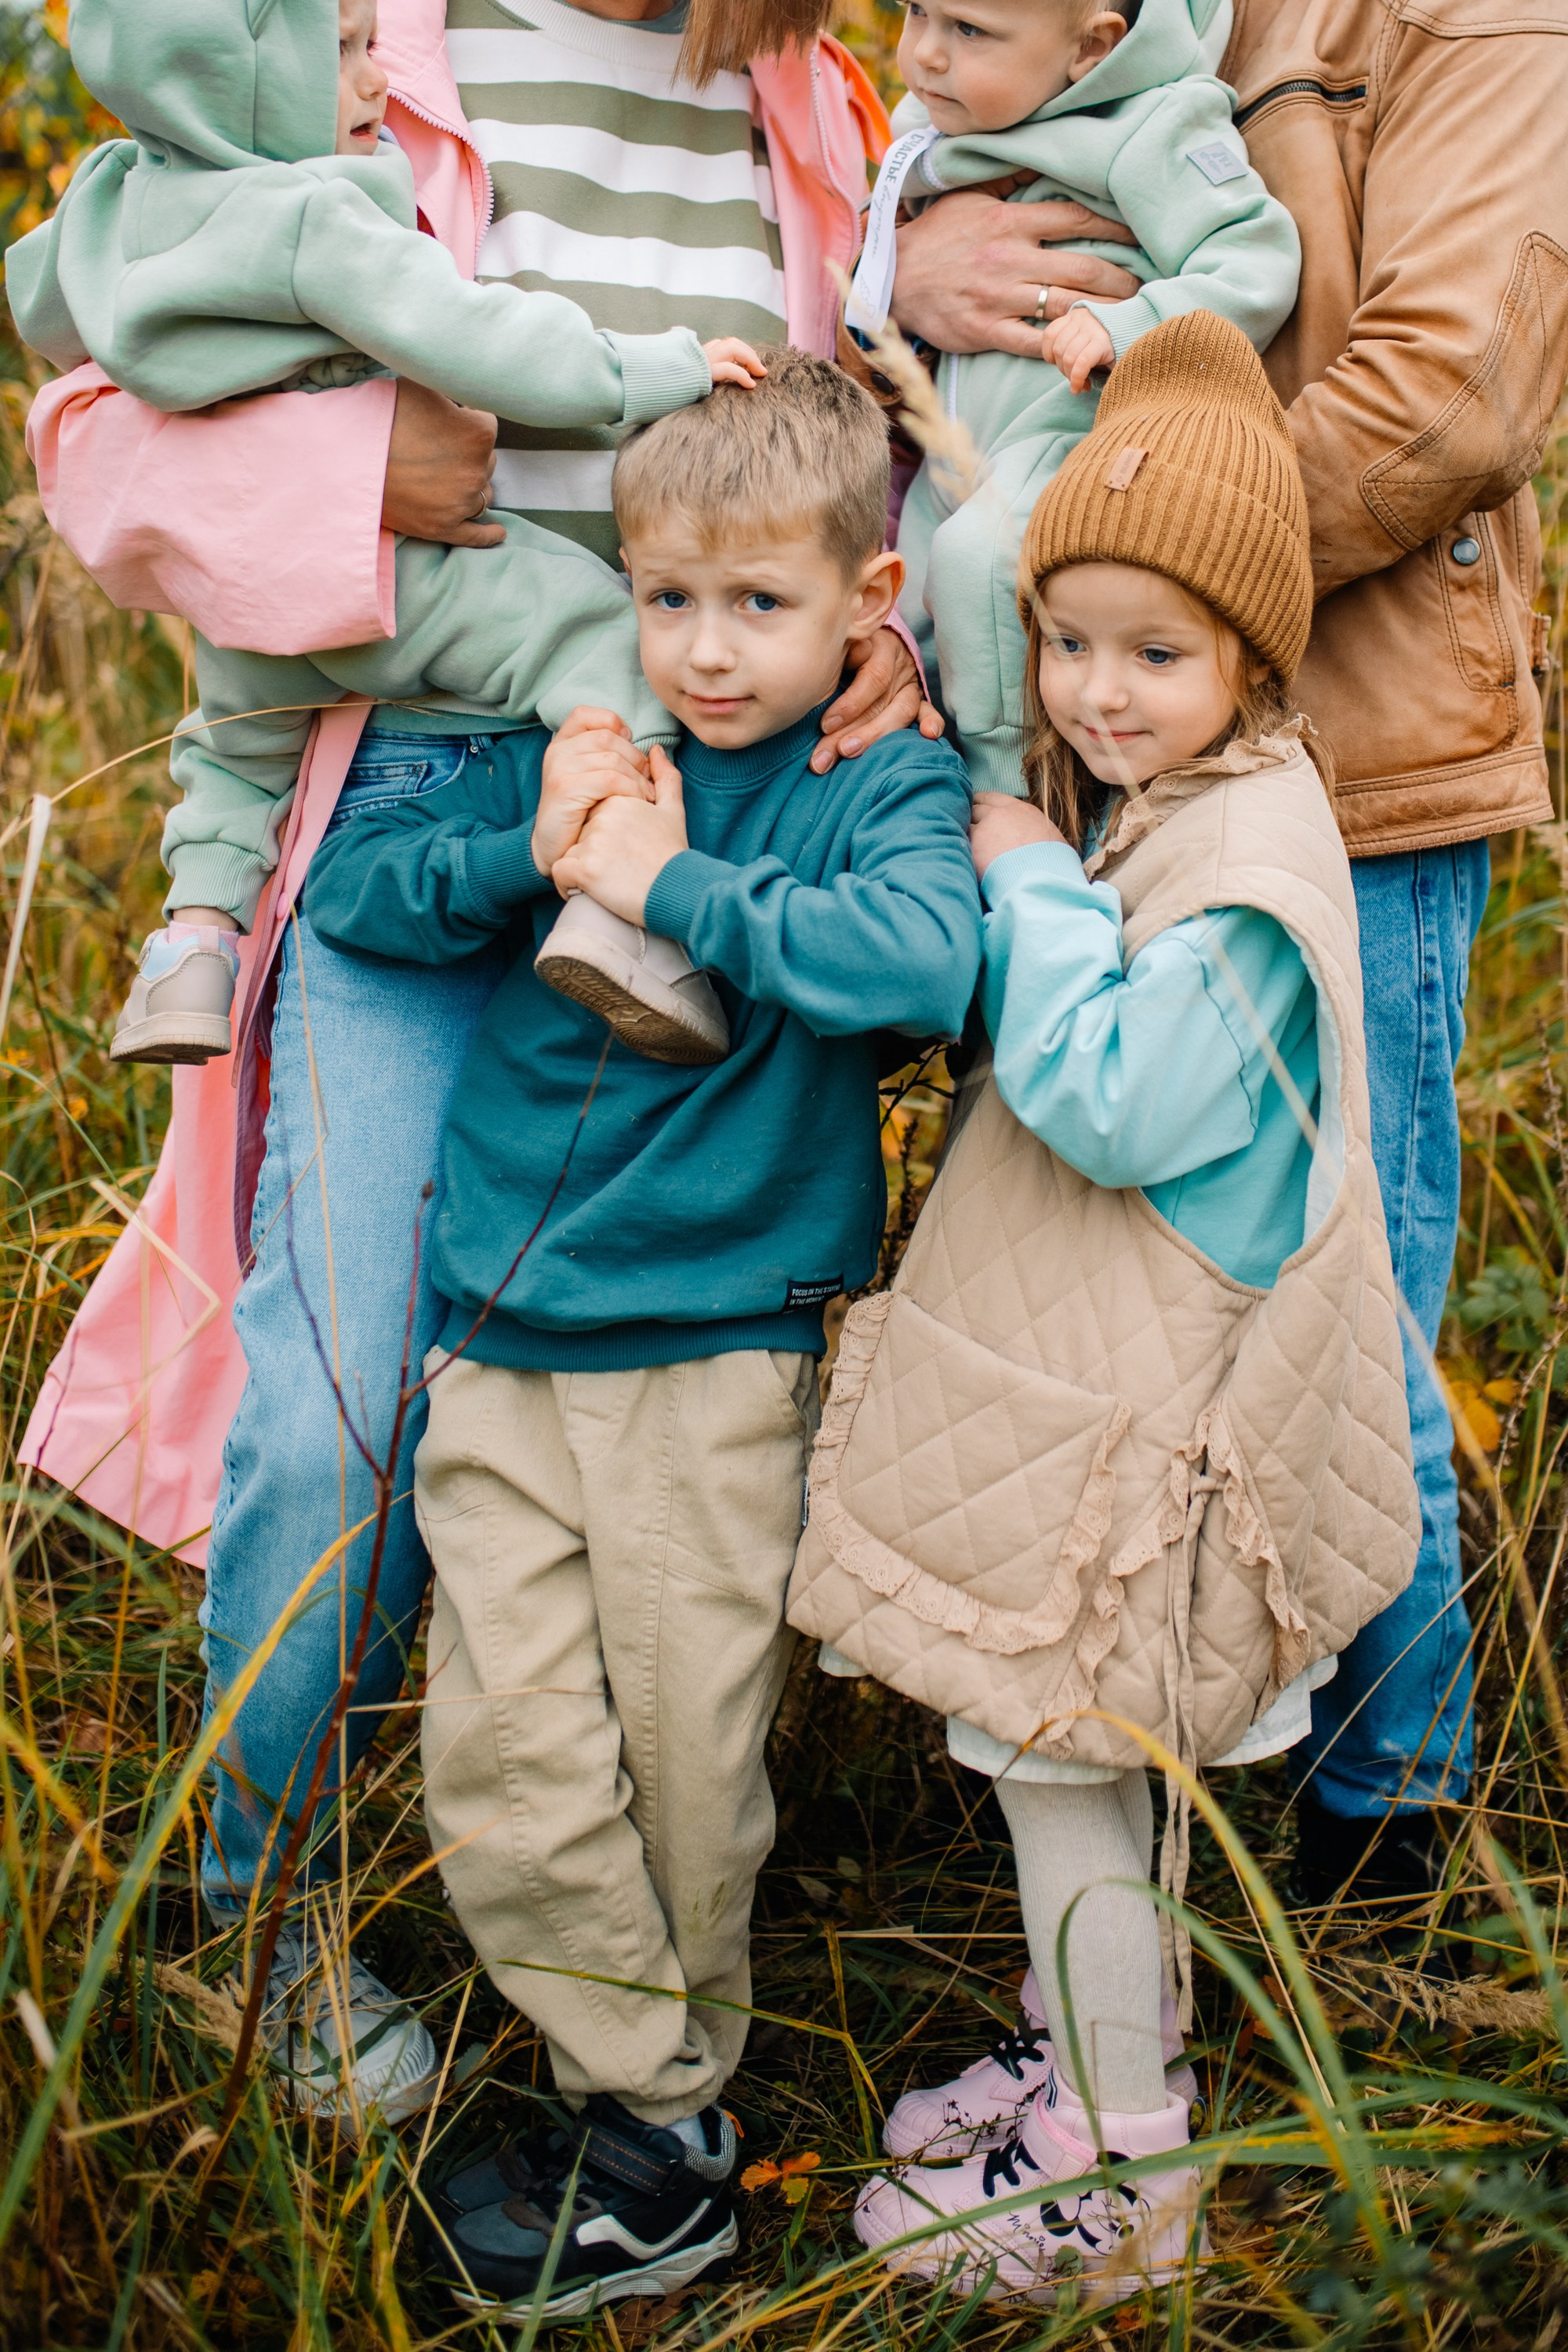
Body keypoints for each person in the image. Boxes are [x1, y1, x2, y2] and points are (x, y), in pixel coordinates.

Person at [22, 0, 1004, 2129]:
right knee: (349, 1407)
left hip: (704, 808)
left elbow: (860, 455)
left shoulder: (808, 98)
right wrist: (350, 471)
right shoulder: (373, 41)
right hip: (423, 797)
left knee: (651, 1389)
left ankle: (621, 1959)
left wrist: (890, 636)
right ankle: (264, 1921)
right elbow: (90, 429)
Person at [303, 349, 982, 2321]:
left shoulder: (879, 779)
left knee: (686, 1760)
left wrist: (672, 881)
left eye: (758, 604)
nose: (702, 649)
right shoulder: (581, 737)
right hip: (503, 1332)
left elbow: (924, 958)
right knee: (505, 1753)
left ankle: (652, 2145)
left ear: (865, 599)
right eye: (664, 595)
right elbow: (357, 889)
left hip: (710, 1352)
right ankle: (655, 2097)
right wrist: (538, 843)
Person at [789, 314, 1421, 2305]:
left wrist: (1024, 877)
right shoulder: (1190, 806)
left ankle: (1121, 2182)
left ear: (1248, 656)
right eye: (1068, 642)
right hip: (1109, 1421)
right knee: (1091, 1800)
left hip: (1131, 1468)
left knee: (1068, 1788)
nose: (1092, 688)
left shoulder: (1234, 869)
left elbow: (1111, 1095)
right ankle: (1085, 2073)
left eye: (1150, 653)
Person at [9, 0, 768, 1070]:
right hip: (398, 590)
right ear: (239, 83)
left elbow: (48, 319)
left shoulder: (111, 206)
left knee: (234, 754)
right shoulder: (318, 215)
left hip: (251, 586)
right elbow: (479, 343)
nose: (374, 83)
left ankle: (191, 950)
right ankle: (623, 906)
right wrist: (657, 369)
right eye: (341, 57)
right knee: (599, 638)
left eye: (371, 47)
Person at [1207, 0, 1568, 1907]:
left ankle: (1388, 1839)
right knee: (1172, 1302)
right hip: (1126, 750)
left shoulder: (1465, 13)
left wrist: (1142, 568)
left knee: (1352, 1296)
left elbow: (1446, 391)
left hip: (1356, 770)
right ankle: (1174, 1779)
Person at [843, 0, 1299, 793]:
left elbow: (1254, 261)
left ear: (1090, 47)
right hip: (956, 449)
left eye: (968, 31)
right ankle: (906, 781)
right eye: (917, 12)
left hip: (1070, 439)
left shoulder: (1155, 125)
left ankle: (1004, 787)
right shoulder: (944, 121)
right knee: (892, 605)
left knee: (976, 559)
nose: (923, 54)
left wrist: (1127, 323)